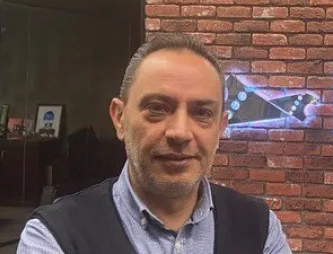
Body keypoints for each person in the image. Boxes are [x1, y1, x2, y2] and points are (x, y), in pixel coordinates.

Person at [17, 33, 292, 254]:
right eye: (157, 108)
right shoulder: (55, 236)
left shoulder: (259, 228)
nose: (180, 132)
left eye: (202, 113)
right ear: (120, 118)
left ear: (220, 127)